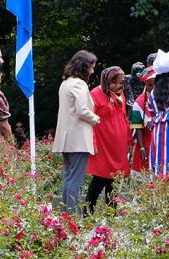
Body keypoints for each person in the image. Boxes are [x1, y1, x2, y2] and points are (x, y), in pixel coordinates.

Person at [53, 50, 100, 215]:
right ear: (84, 66)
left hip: (65, 139)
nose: (92, 71)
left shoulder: (65, 83)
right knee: (76, 180)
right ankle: (72, 217)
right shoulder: (80, 84)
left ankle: (66, 214)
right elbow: (82, 110)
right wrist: (96, 119)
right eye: (91, 67)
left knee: (68, 178)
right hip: (78, 139)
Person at [85, 66, 132, 212]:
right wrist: (91, 142)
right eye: (115, 82)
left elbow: (124, 118)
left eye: (121, 83)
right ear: (107, 80)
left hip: (117, 144)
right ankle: (88, 214)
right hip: (102, 142)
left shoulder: (120, 95)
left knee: (114, 179)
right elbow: (89, 120)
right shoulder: (94, 94)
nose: (118, 86)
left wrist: (129, 140)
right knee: (99, 178)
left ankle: (112, 214)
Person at [130, 66, 155, 172]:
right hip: (148, 143)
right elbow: (138, 127)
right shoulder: (139, 102)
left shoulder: (168, 97)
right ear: (145, 85)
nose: (153, 88)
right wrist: (141, 148)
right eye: (150, 85)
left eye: (156, 84)